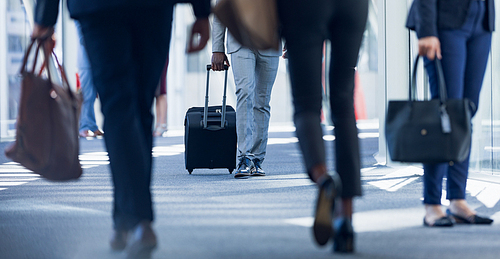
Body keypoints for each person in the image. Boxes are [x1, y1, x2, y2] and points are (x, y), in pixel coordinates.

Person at [32, 0, 210, 258]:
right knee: (138, 106)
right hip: (151, 8)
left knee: (120, 105)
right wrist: (202, 10)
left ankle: (131, 218)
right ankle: (134, 219)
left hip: (99, 8)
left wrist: (44, 18)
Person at [276, 0, 368, 253]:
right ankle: (345, 220)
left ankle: (324, 180)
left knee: (307, 105)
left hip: (304, 8)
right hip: (353, 7)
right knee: (343, 105)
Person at [406, 0, 495, 227]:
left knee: (465, 113)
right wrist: (426, 30)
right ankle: (432, 204)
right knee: (444, 113)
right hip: (445, 21)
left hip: (481, 22)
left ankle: (457, 199)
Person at [211, 0, 281, 179]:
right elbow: (221, 10)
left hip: (270, 41)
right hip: (239, 40)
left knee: (262, 101)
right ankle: (245, 158)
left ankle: (257, 159)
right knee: (244, 93)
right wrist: (217, 49)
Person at [75, 21, 104, 138]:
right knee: (87, 95)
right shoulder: (82, 18)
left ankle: (91, 125)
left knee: (92, 95)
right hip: (86, 61)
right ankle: (84, 127)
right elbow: (84, 38)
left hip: (96, 60)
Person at [154, 61, 169, 137]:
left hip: (157, 60)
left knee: (161, 91)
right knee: (156, 94)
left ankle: (162, 124)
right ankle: (158, 124)